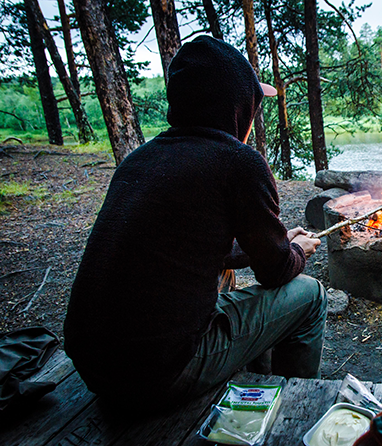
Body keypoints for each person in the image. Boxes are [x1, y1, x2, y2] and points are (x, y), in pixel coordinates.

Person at [63, 36, 327, 408]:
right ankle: (293, 405)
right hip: (159, 374)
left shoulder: (140, 159)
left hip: (93, 366)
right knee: (310, 294)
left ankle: (255, 380)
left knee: (226, 275)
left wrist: (276, 243)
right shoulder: (238, 162)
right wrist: (295, 250)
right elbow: (277, 272)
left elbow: (184, 245)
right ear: (237, 106)